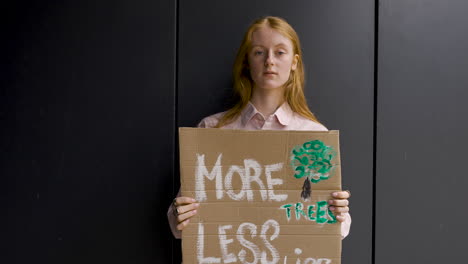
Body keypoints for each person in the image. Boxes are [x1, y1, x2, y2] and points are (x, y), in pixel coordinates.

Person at [167, 16, 351, 240]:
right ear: (247, 62)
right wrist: (178, 214)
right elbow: (179, 226)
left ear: (294, 62)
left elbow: (336, 232)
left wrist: (340, 214)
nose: (269, 61)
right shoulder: (212, 129)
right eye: (259, 52)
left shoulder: (315, 136)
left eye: (280, 52)